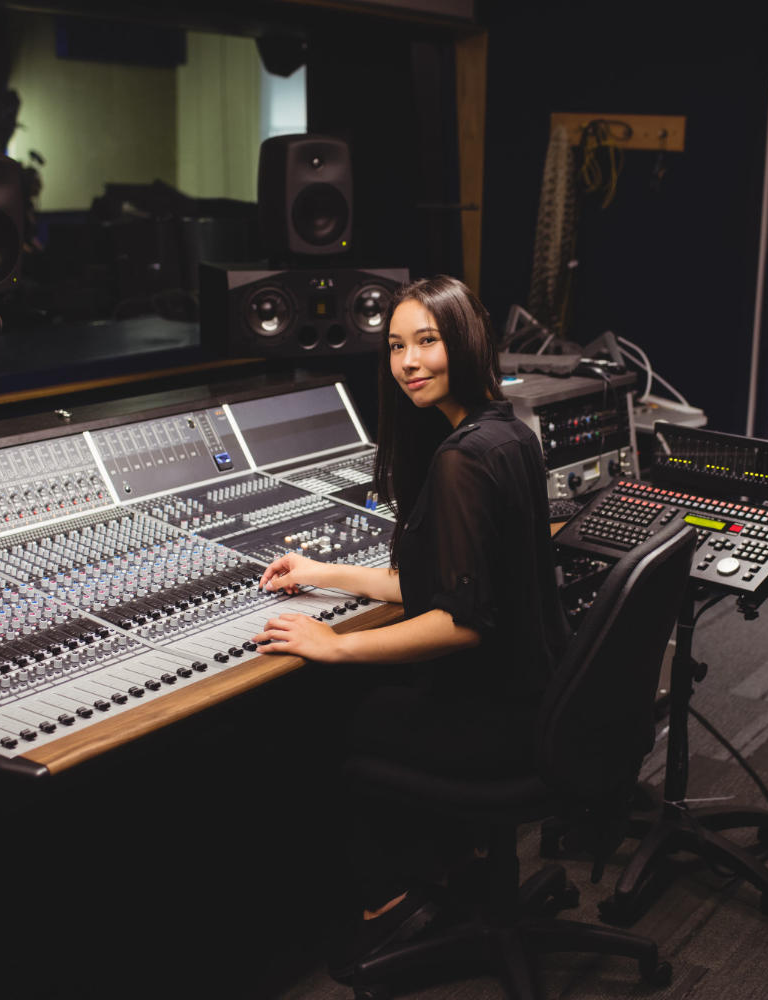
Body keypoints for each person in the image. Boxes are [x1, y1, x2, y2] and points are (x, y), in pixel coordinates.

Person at [252, 274, 568, 976]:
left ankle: (388, 903)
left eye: (427, 341)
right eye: (396, 346)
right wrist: (327, 574)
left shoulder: (461, 461)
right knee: (368, 695)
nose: (409, 362)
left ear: (464, 339)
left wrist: (337, 645)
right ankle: (450, 861)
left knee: (334, 720)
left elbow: (460, 623)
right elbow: (448, 583)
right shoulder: (505, 433)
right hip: (539, 699)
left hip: (499, 722)